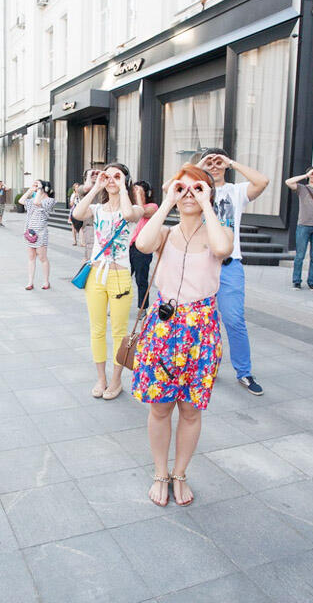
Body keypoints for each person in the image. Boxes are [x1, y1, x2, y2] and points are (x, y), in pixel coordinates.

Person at [132, 164, 233, 507]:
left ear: (209, 193)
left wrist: (206, 204)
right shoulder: (164, 233)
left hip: (201, 332)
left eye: (197, 188)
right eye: (182, 187)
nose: (188, 193)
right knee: (160, 407)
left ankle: (180, 473)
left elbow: (222, 250)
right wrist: (167, 201)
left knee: (190, 410)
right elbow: (143, 244)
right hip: (163, 329)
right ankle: (160, 473)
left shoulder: (220, 231)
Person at [195, 148, 269, 396]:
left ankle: (244, 372)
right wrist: (200, 166)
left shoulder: (236, 191)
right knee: (202, 321)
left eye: (219, 162)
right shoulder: (197, 190)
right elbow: (169, 187)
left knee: (234, 320)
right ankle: (207, 366)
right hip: (200, 264)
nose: (214, 166)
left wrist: (231, 162)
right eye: (210, 162)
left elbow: (262, 181)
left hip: (229, 264)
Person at [71, 164, 143, 400]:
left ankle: (116, 380)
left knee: (119, 331)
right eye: (107, 176)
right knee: (97, 329)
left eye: (117, 176)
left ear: (125, 180)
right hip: (96, 274)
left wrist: (122, 187)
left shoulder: (134, 208)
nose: (111, 180)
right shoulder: (97, 209)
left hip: (120, 275)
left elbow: (129, 215)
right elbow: (77, 214)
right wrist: (96, 187)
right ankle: (101, 378)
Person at [19, 179, 56, 290]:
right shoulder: (32, 199)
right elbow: (21, 200)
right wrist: (30, 190)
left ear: (44, 188)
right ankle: (30, 282)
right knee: (31, 257)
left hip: (41, 233)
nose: (36, 188)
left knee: (42, 257)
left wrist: (40, 189)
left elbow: (37, 203)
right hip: (30, 232)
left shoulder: (49, 200)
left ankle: (46, 282)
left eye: (38, 186)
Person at [128, 180, 158, 308]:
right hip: (130, 246)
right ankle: (119, 304)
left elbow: (143, 212)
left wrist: (139, 196)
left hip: (143, 248)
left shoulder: (153, 207)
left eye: (138, 191)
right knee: (123, 277)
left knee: (141, 279)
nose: (135, 193)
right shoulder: (133, 207)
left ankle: (143, 307)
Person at [69, 176, 86, 247]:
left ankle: (82, 242)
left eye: (78, 187)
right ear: (74, 188)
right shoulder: (73, 195)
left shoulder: (82, 195)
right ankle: (74, 240)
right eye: (76, 187)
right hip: (74, 210)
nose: (77, 188)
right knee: (73, 227)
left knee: (81, 226)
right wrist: (74, 197)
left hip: (81, 210)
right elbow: (71, 204)